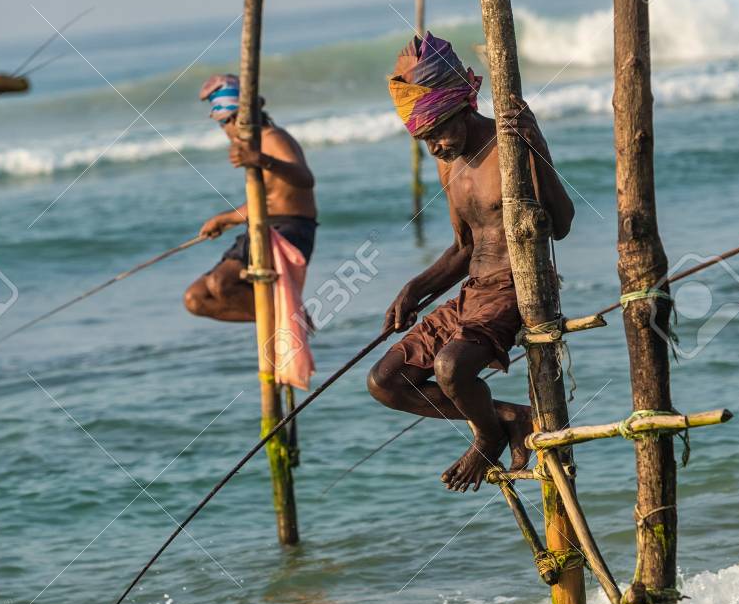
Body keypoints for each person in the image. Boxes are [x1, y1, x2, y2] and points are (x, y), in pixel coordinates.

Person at [367, 32, 574, 492]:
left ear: (464, 105)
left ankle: (486, 439)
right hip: (473, 293)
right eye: (425, 139)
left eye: (440, 130)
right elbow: (464, 247)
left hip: (517, 286)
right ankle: (509, 418)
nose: (437, 146)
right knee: (386, 381)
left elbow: (561, 223)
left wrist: (537, 147)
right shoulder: (448, 163)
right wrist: (413, 290)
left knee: (450, 367)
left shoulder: (511, 147)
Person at [183, 74, 317, 322]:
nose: (225, 131)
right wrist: (225, 220)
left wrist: (261, 160)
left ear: (236, 119)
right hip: (263, 224)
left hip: (290, 228)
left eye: (225, 123)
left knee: (222, 282)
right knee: (196, 297)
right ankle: (283, 319)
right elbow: (268, 199)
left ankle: (291, 319)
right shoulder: (255, 145)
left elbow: (305, 179)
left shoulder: (271, 138)